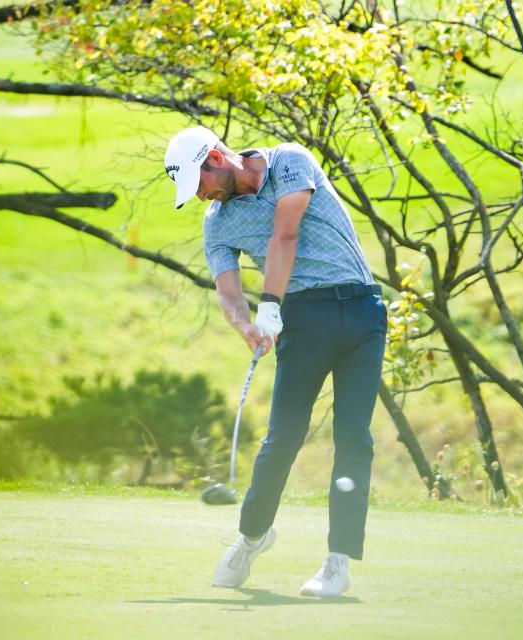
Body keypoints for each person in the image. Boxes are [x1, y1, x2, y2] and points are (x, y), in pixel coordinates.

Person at [164, 126, 387, 597]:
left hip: (363, 309)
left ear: (216, 159)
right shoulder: (216, 221)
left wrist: (268, 302)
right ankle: (252, 537)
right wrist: (245, 325)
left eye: (199, 183)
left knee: (354, 439)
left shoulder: (289, 161)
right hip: (304, 318)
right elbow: (226, 290)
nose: (201, 195)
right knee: (283, 436)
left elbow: (286, 233)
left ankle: (337, 562)